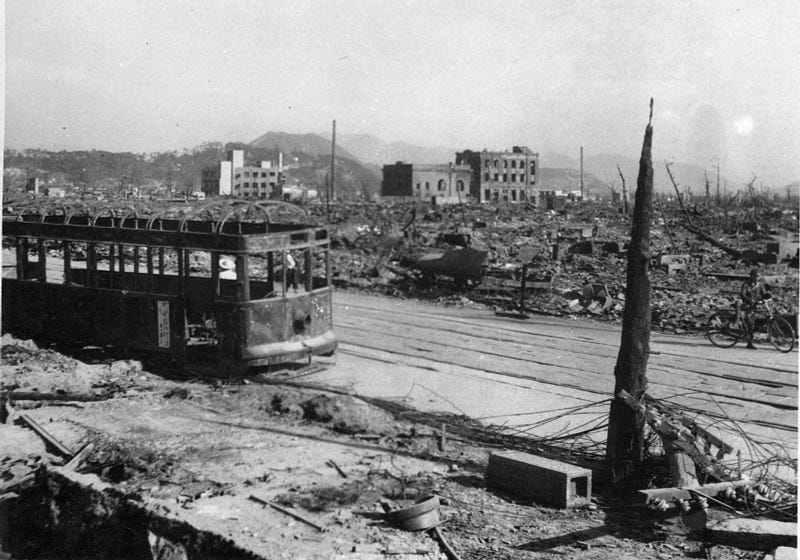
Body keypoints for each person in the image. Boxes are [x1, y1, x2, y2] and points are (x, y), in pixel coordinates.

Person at [740, 268, 768, 349]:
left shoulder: (760, 285)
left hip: (756, 305)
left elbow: (764, 294)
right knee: (749, 322)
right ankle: (750, 342)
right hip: (747, 305)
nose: (756, 278)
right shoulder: (746, 285)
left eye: (758, 276)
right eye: (755, 276)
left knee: (760, 320)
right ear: (751, 276)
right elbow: (742, 294)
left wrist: (767, 297)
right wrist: (749, 300)